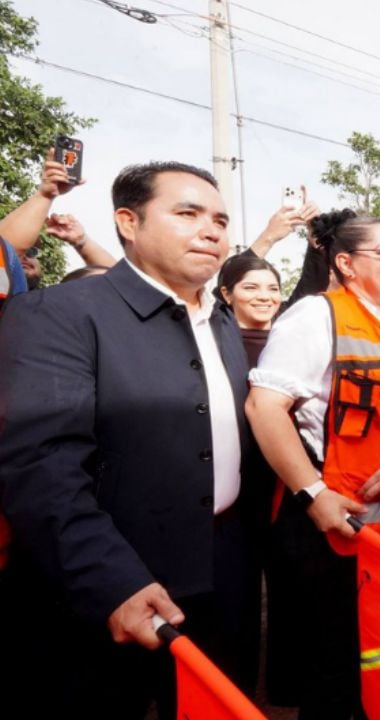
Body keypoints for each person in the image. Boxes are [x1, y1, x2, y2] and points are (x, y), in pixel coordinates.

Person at [0, 161, 261, 717]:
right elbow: (41, 467)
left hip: (221, 572)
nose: (211, 230)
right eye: (187, 213)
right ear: (128, 222)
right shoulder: (58, 313)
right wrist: (110, 579)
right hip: (104, 587)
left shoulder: (220, 321)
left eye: (219, 218)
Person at [245, 209, 380, 718]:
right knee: (333, 669)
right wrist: (312, 495)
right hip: (334, 524)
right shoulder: (315, 317)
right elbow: (263, 406)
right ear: (345, 263)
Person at [0, 148, 83, 306]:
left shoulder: (52, 310)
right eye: (25, 250)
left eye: (32, 252)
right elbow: (6, 248)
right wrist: (46, 194)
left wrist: (82, 242)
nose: (24, 256)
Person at [216, 254, 282, 367]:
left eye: (273, 289)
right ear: (227, 294)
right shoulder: (213, 344)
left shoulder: (292, 340)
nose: (264, 297)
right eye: (250, 288)